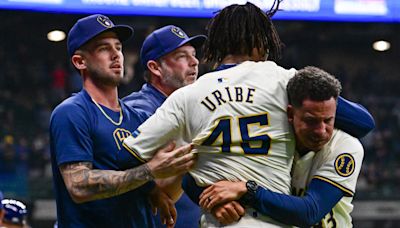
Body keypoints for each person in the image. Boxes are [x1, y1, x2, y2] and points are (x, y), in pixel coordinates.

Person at [122, 2, 374, 227]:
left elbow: (124, 155)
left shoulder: (188, 95)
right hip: (274, 220)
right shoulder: (284, 80)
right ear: (262, 42)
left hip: (218, 221)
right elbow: (362, 122)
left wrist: (154, 188)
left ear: (219, 44)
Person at [49, 14, 196, 228]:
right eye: (103, 49)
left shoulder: (136, 117)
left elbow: (159, 184)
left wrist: (158, 187)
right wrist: (149, 171)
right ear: (80, 61)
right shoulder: (72, 112)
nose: (116, 55)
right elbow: (79, 186)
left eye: (117, 47)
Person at [195, 66, 364, 227]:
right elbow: (193, 176)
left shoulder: (345, 146)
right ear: (290, 114)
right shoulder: (265, 136)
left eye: (328, 120)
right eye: (311, 121)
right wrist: (215, 203)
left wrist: (248, 190)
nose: (321, 131)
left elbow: (310, 212)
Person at [121, 25, 206, 228]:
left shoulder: (196, 105)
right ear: (155, 68)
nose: (194, 62)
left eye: (193, 55)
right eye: (181, 56)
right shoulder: (136, 110)